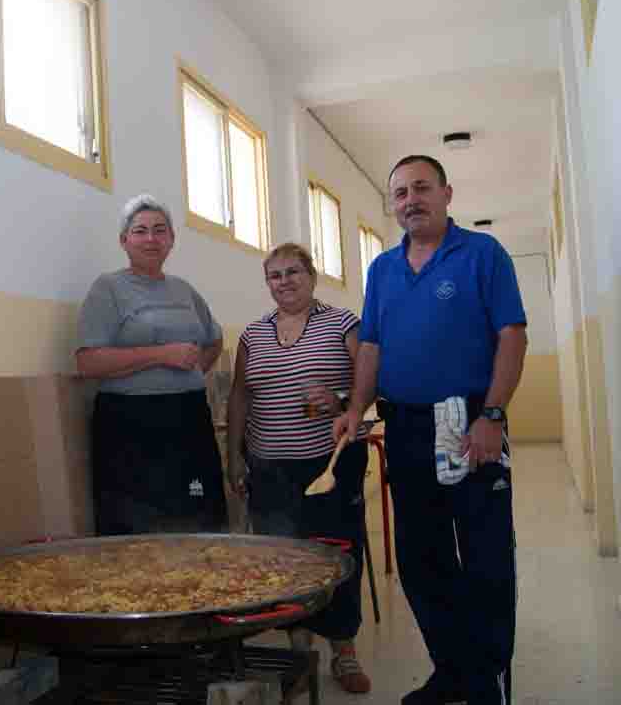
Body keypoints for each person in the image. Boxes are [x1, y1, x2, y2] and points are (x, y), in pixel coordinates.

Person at [335, 155, 527, 705]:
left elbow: (511, 337)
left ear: (446, 193)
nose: (410, 199)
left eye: (421, 188)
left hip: (472, 422)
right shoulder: (382, 270)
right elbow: (370, 347)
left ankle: (487, 680)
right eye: (399, 193)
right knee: (422, 560)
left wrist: (491, 415)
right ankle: (453, 670)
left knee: (486, 557)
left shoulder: (482, 254)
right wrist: (355, 406)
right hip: (408, 429)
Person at [226, 242, 372, 695]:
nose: (284, 282)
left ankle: (344, 651)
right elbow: (240, 397)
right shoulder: (253, 334)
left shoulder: (343, 323)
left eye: (293, 272)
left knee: (337, 552)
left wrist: (343, 401)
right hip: (269, 466)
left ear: (312, 276)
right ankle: (297, 650)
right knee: (284, 558)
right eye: (275, 275)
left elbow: (372, 383)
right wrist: (233, 454)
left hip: (330, 462)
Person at [76, 194, 228, 535]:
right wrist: (161, 356)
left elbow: (213, 338)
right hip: (129, 426)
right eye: (140, 230)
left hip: (188, 418)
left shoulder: (184, 291)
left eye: (160, 230)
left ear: (171, 240)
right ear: (124, 240)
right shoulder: (108, 289)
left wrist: (193, 368)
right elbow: (87, 363)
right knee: (136, 530)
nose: (150, 238)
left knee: (199, 518)